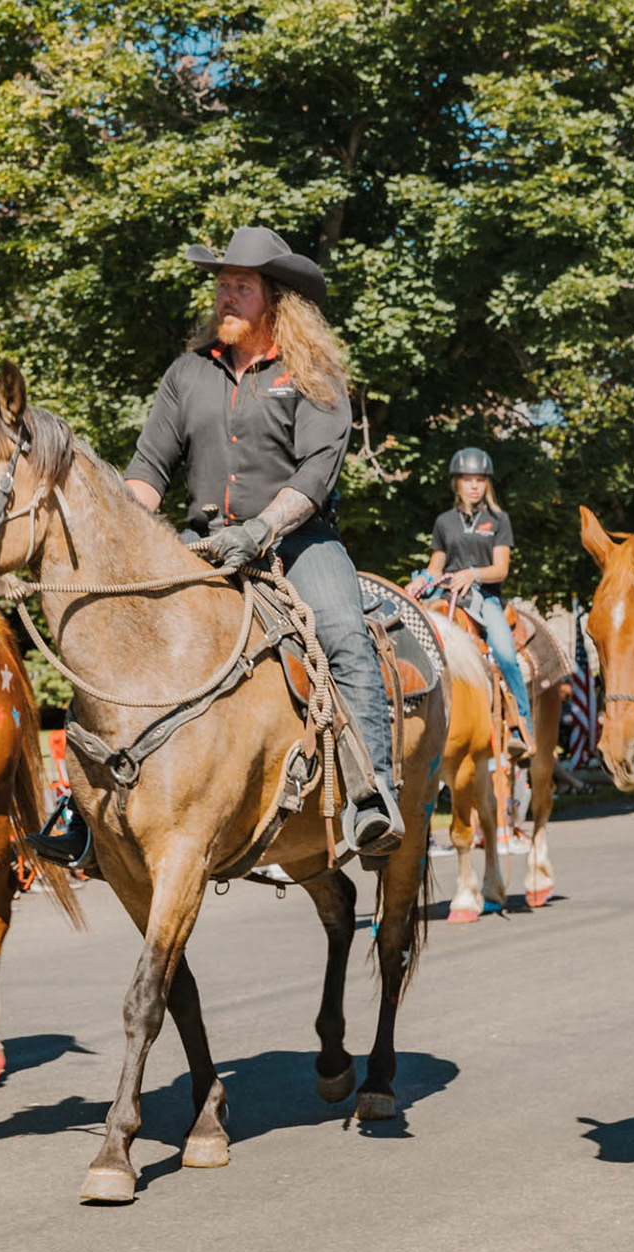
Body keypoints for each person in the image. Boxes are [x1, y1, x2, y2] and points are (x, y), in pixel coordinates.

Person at [123, 226, 403, 859]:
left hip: (299, 544)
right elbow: (147, 471)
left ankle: (371, 795)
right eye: (222, 286)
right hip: (201, 543)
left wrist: (262, 530)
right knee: (124, 631)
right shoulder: (186, 373)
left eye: (241, 287)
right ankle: (90, 808)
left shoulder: (315, 373)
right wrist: (122, 534)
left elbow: (316, 474)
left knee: (342, 634)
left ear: (275, 299)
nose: (227, 297)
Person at [407, 447, 533, 759]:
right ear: (457, 483)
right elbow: (436, 566)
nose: (474, 486)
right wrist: (421, 580)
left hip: (485, 598)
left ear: (487, 484)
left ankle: (521, 727)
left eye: (479, 480)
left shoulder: (498, 520)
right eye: (467, 480)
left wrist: (474, 573)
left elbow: (501, 568)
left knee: (505, 654)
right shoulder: (444, 522)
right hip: (448, 595)